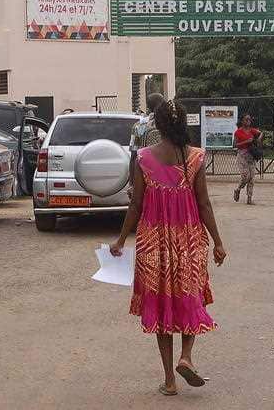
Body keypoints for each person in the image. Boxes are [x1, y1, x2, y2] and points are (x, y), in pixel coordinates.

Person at [111, 100, 226, 396]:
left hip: (154, 243)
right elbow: (204, 204)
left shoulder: (144, 158)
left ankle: (170, 381)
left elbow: (135, 204)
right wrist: (218, 242)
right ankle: (186, 357)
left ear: (157, 125)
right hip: (188, 241)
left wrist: (122, 239)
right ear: (183, 124)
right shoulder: (196, 158)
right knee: (190, 295)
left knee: (161, 304)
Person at [129, 93, 165, 185]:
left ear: (148, 107)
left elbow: (134, 155)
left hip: (145, 175)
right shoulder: (170, 123)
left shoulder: (138, 125)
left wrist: (132, 184)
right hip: (166, 174)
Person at [233, 113, 262, 204]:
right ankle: (238, 189)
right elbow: (235, 145)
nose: (248, 121)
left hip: (251, 155)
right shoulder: (238, 132)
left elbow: (261, 133)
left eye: (249, 119)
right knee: (245, 176)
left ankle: (249, 198)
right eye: (246, 119)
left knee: (252, 178)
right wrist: (246, 141)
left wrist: (258, 139)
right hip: (242, 155)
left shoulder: (252, 130)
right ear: (242, 121)